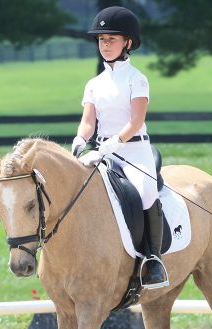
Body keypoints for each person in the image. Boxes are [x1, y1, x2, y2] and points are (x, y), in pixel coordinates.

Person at [71, 6, 169, 289]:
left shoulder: (137, 79)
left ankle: (152, 258)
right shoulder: (94, 84)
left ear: (128, 42)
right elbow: (88, 122)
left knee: (146, 191)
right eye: (102, 40)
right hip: (102, 152)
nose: (105, 45)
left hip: (134, 151)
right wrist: (80, 141)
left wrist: (112, 143)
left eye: (112, 39)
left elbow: (137, 121)